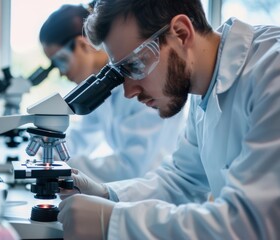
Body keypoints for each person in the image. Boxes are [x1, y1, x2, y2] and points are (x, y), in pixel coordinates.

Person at [57, 0, 280, 239]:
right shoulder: (202, 86)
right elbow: (183, 179)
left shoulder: (271, 70)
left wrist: (114, 221)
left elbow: (251, 223)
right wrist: (106, 195)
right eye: (121, 73)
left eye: (135, 65)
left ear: (181, 33)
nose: (128, 92)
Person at [39, 4, 188, 182]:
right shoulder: (101, 86)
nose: (62, 73)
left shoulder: (141, 86)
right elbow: (82, 136)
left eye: (61, 61)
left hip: (157, 197)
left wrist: (62, 167)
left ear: (82, 44)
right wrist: (45, 152)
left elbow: (133, 168)